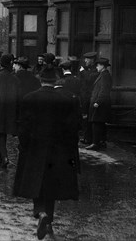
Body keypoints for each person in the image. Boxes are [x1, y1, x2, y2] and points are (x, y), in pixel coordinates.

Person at [13, 67, 80, 240]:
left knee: (36, 183)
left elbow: (23, 126)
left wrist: (24, 145)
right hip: (57, 150)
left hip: (35, 148)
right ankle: (48, 220)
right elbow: (72, 128)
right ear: (56, 80)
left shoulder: (29, 98)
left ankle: (39, 212)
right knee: (51, 185)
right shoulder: (66, 100)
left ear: (40, 79)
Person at [86, 58, 112, 151]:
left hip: (100, 103)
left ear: (102, 66)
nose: (96, 67)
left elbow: (104, 90)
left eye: (98, 65)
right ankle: (101, 141)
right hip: (101, 102)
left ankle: (95, 143)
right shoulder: (103, 74)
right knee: (100, 122)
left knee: (96, 122)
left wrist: (98, 101)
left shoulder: (105, 75)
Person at [80, 52, 99, 144]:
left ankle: (88, 138)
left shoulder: (96, 70)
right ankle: (86, 136)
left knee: (88, 118)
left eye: (87, 59)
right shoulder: (88, 69)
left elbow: (90, 79)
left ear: (92, 60)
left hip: (90, 98)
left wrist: (83, 71)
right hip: (85, 97)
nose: (85, 61)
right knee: (85, 117)